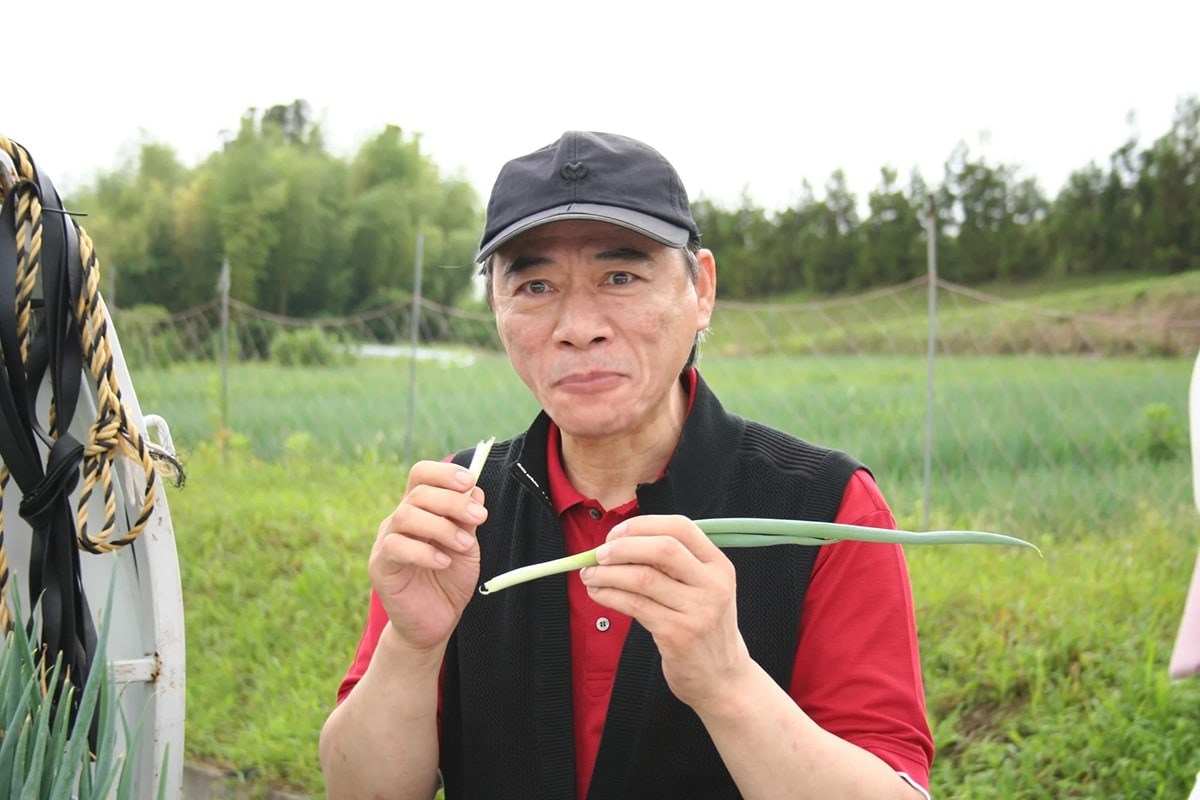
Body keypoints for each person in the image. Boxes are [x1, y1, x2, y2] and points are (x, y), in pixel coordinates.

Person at [319, 131, 935, 799]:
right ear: (496, 308)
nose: (578, 325)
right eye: (535, 285)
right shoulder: (460, 510)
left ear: (702, 290)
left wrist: (726, 680)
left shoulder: (825, 510)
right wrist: (410, 648)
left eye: (621, 277)